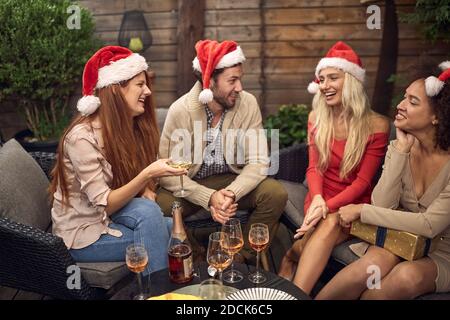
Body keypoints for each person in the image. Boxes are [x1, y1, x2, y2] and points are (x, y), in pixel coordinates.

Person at [316, 59, 450, 300]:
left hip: (441, 252)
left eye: (413, 101)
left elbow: (430, 225)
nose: (400, 105)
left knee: (405, 277)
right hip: (402, 240)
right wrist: (400, 150)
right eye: (404, 97)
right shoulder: (399, 148)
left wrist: (361, 210)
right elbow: (382, 206)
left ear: (436, 117)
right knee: (369, 267)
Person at [49, 46, 186, 275]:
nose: (148, 91)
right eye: (140, 85)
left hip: (107, 219)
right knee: (158, 226)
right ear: (115, 90)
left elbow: (129, 188)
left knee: (165, 222)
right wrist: (147, 175)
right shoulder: (81, 138)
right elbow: (106, 202)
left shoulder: (123, 128)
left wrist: (146, 189)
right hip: (82, 235)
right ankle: (160, 293)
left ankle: (160, 287)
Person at [156, 39, 288, 263]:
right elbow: (168, 171)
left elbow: (258, 161)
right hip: (191, 184)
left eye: (240, 79)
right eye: (232, 80)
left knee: (276, 194)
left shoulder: (248, 104)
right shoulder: (180, 110)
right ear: (210, 82)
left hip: (233, 181)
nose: (239, 87)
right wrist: (209, 198)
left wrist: (232, 193)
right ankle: (198, 259)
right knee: (162, 208)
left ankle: (240, 259)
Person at [277, 41, 390, 295]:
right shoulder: (317, 118)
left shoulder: (377, 125)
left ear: (350, 81)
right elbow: (314, 168)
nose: (324, 85)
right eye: (321, 79)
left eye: (332, 78)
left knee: (328, 224)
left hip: (353, 204)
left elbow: (362, 183)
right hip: (320, 195)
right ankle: (293, 268)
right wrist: (317, 199)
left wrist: (327, 207)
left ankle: (292, 268)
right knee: (325, 221)